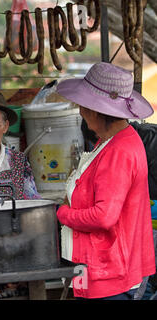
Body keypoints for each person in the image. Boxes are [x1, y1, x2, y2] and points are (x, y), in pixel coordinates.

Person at [56, 62, 156, 300]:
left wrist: (61, 213)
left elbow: (104, 216)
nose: (80, 111)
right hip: (100, 266)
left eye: (82, 105)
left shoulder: (119, 150)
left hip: (109, 271)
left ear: (95, 110)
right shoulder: (112, 140)